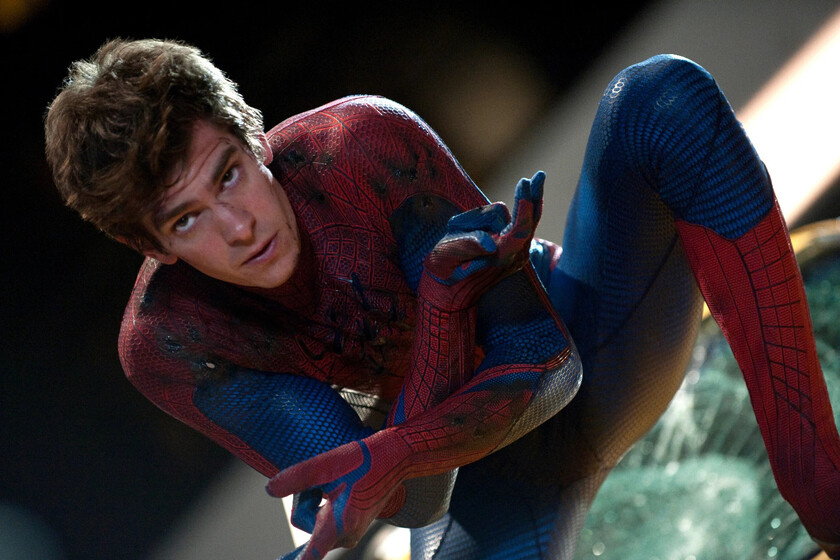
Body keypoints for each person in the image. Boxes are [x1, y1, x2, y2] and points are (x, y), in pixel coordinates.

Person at [44, 38, 840, 559]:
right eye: (187, 219)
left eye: (228, 175)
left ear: (254, 135)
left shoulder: (357, 147)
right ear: (154, 248)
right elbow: (414, 502)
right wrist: (438, 322)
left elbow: (549, 361)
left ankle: (824, 486)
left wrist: (400, 443)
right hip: (482, 488)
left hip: (595, 351)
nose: (238, 226)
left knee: (658, 99)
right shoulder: (172, 340)